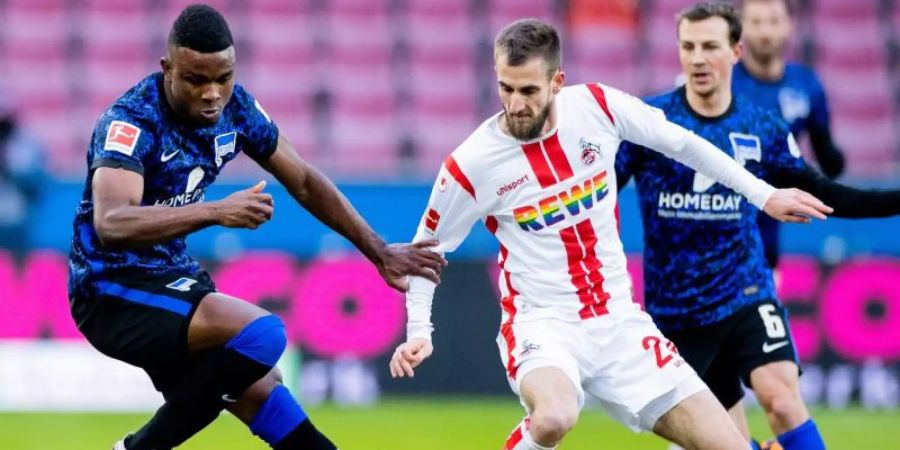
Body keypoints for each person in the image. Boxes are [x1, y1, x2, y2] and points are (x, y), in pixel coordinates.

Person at [388, 18, 831, 450]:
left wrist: (762, 194)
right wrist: (419, 330)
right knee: (554, 418)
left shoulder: (598, 108)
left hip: (619, 322)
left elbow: (683, 143)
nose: (516, 104)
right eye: (506, 88)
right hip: (543, 323)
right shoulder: (472, 164)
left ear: (557, 81)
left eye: (528, 90)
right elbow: (426, 251)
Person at [67, 5, 445, 450]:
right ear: (167, 68)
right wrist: (214, 211)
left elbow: (303, 180)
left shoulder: (237, 108)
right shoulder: (131, 122)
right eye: (195, 79)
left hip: (168, 276)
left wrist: (379, 251)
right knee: (263, 334)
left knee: (266, 385)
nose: (212, 93)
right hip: (110, 290)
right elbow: (111, 223)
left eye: (222, 78)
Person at [615, 3, 900, 450]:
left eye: (710, 46)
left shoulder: (762, 127)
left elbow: (826, 191)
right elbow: (597, 190)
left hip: (746, 291)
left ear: (735, 51)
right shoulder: (650, 123)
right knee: (722, 442)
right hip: (678, 312)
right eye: (688, 47)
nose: (697, 58)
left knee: (782, 399)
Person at [734, 0, 845, 270]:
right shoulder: (723, 82)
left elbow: (827, 157)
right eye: (756, 22)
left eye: (773, 21)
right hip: (718, 235)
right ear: (741, 26)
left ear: (788, 26)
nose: (765, 31)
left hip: (769, 245)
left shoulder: (806, 86)